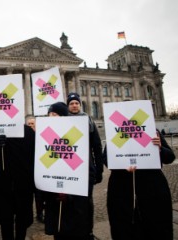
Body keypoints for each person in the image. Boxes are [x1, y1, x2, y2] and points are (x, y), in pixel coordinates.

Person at [104, 130, 175, 239]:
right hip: (121, 188)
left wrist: (160, 148)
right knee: (124, 228)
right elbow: (106, 159)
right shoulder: (115, 132)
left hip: (153, 187)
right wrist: (122, 165)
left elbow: (170, 157)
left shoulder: (152, 131)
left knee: (157, 227)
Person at [44, 101, 93, 240]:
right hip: (55, 200)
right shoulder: (45, 139)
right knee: (58, 234)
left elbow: (88, 173)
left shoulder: (77, 137)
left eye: (55, 114)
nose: (51, 117)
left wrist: (70, 193)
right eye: (49, 114)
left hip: (75, 203)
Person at [0, 125, 35, 240]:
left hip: (24, 182)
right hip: (4, 183)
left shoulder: (28, 131)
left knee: (22, 219)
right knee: (5, 219)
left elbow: (35, 155)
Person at [66, 92, 103, 239]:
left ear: (80, 105)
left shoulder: (89, 121)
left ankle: (88, 231)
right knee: (71, 202)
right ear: (68, 106)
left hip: (86, 168)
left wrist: (99, 169)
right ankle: (73, 230)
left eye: (77, 103)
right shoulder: (62, 121)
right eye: (71, 103)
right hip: (69, 169)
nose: (74, 105)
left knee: (86, 202)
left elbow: (97, 146)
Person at [26, 115, 45, 223]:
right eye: (28, 124)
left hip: (39, 171)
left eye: (32, 124)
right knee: (27, 195)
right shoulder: (24, 139)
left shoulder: (42, 137)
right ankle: (27, 214)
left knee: (39, 196)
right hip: (28, 171)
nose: (30, 126)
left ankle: (39, 214)